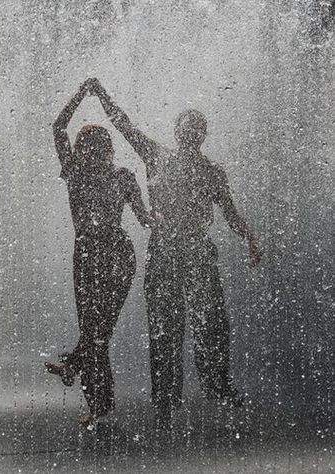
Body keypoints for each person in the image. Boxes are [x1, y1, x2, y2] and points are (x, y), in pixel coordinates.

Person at [88, 78, 262, 428]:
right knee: (164, 327)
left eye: (198, 126)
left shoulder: (212, 172)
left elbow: (229, 212)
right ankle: (166, 399)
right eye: (187, 124)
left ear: (203, 135)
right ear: (177, 130)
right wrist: (102, 94)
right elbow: (123, 125)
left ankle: (218, 385)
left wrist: (250, 237)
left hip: (197, 251)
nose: (192, 129)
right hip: (165, 252)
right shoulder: (156, 155)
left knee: (212, 322)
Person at [45, 79, 154, 426]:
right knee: (97, 331)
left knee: (97, 329)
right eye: (87, 146)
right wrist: (95, 94)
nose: (89, 151)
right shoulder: (101, 174)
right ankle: (97, 404)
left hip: (102, 255)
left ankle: (79, 374)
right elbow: (146, 219)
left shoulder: (91, 174)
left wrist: (84, 93)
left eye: (94, 145)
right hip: (107, 254)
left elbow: (59, 126)